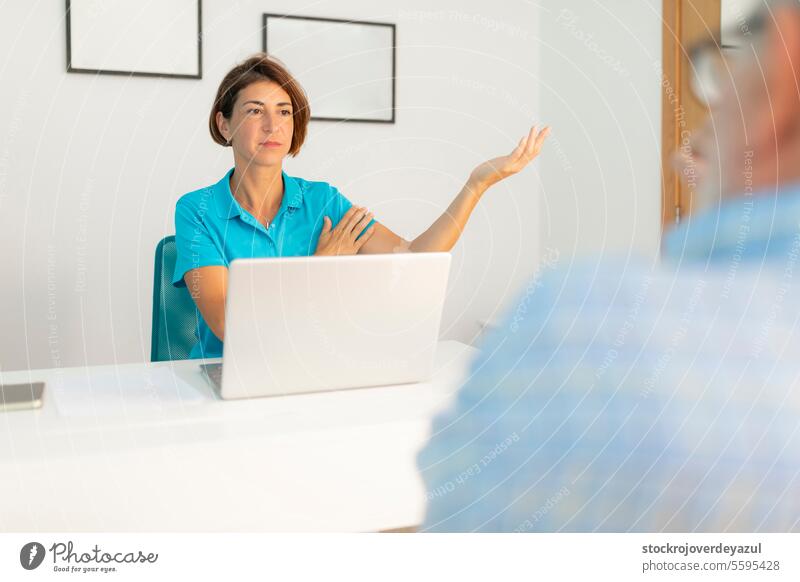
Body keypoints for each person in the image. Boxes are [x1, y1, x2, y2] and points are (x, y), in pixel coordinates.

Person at [418, 1, 800, 531]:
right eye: (255, 110)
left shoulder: (580, 324)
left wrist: (479, 182)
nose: (682, 159)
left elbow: (414, 264)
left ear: (782, 67)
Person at [172, 53, 550, 359]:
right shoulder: (198, 210)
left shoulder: (323, 201)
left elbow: (414, 255)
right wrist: (317, 270)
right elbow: (225, 322)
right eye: (255, 110)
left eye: (284, 111)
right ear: (224, 125)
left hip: (311, 365)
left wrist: (476, 185)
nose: (273, 125)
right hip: (227, 369)